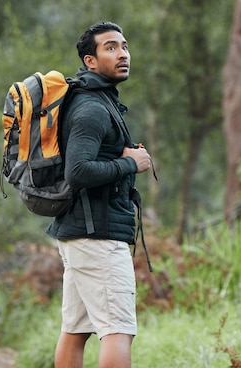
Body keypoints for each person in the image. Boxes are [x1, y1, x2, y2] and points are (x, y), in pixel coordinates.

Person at [45, 21, 152, 368]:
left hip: (81, 234)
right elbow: (78, 171)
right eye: (110, 47)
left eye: (123, 46)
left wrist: (120, 157)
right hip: (98, 238)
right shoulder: (91, 108)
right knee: (117, 330)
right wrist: (131, 164)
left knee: (75, 331)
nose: (122, 54)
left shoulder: (95, 100)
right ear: (90, 61)